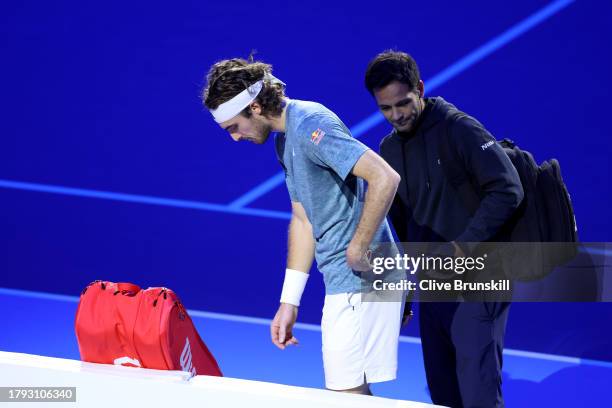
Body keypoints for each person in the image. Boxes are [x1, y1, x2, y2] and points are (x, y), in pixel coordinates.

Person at [201, 57, 404, 394]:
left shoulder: (311, 124)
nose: (235, 138)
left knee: (347, 396)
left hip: (363, 281)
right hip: (347, 281)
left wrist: (359, 246)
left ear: (254, 106)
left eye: (234, 127)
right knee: (352, 396)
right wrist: (289, 302)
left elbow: (384, 177)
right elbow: (302, 218)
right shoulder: (285, 139)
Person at [364, 50, 524, 407]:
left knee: (478, 392)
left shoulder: (459, 128)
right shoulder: (388, 149)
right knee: (443, 392)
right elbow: (401, 226)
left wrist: (463, 246)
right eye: (385, 109)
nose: (396, 115)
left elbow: (507, 189)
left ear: (420, 88)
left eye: (403, 103)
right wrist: (403, 289)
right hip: (434, 283)